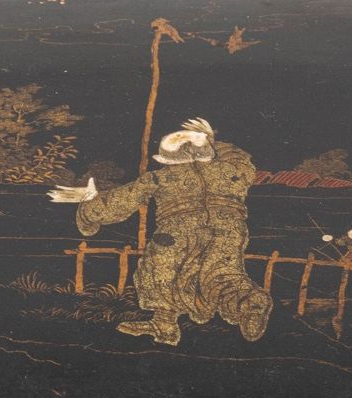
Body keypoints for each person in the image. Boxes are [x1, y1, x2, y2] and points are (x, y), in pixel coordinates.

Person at [48, 118, 273, 346]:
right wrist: (209, 141)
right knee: (222, 274)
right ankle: (250, 304)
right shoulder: (232, 171)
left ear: (167, 159)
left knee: (159, 272)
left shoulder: (160, 177)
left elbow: (120, 201)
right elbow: (239, 158)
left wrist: (88, 211)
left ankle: (164, 324)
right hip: (227, 230)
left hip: (176, 232)